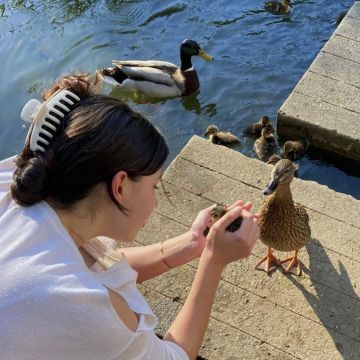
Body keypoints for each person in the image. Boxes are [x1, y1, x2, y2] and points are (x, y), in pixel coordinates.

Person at [0, 72, 260, 360]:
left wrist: (191, 244)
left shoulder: (17, 178)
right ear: (120, 186)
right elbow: (173, 357)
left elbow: (94, 269)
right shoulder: (79, 302)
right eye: (155, 186)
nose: (156, 201)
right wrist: (214, 260)